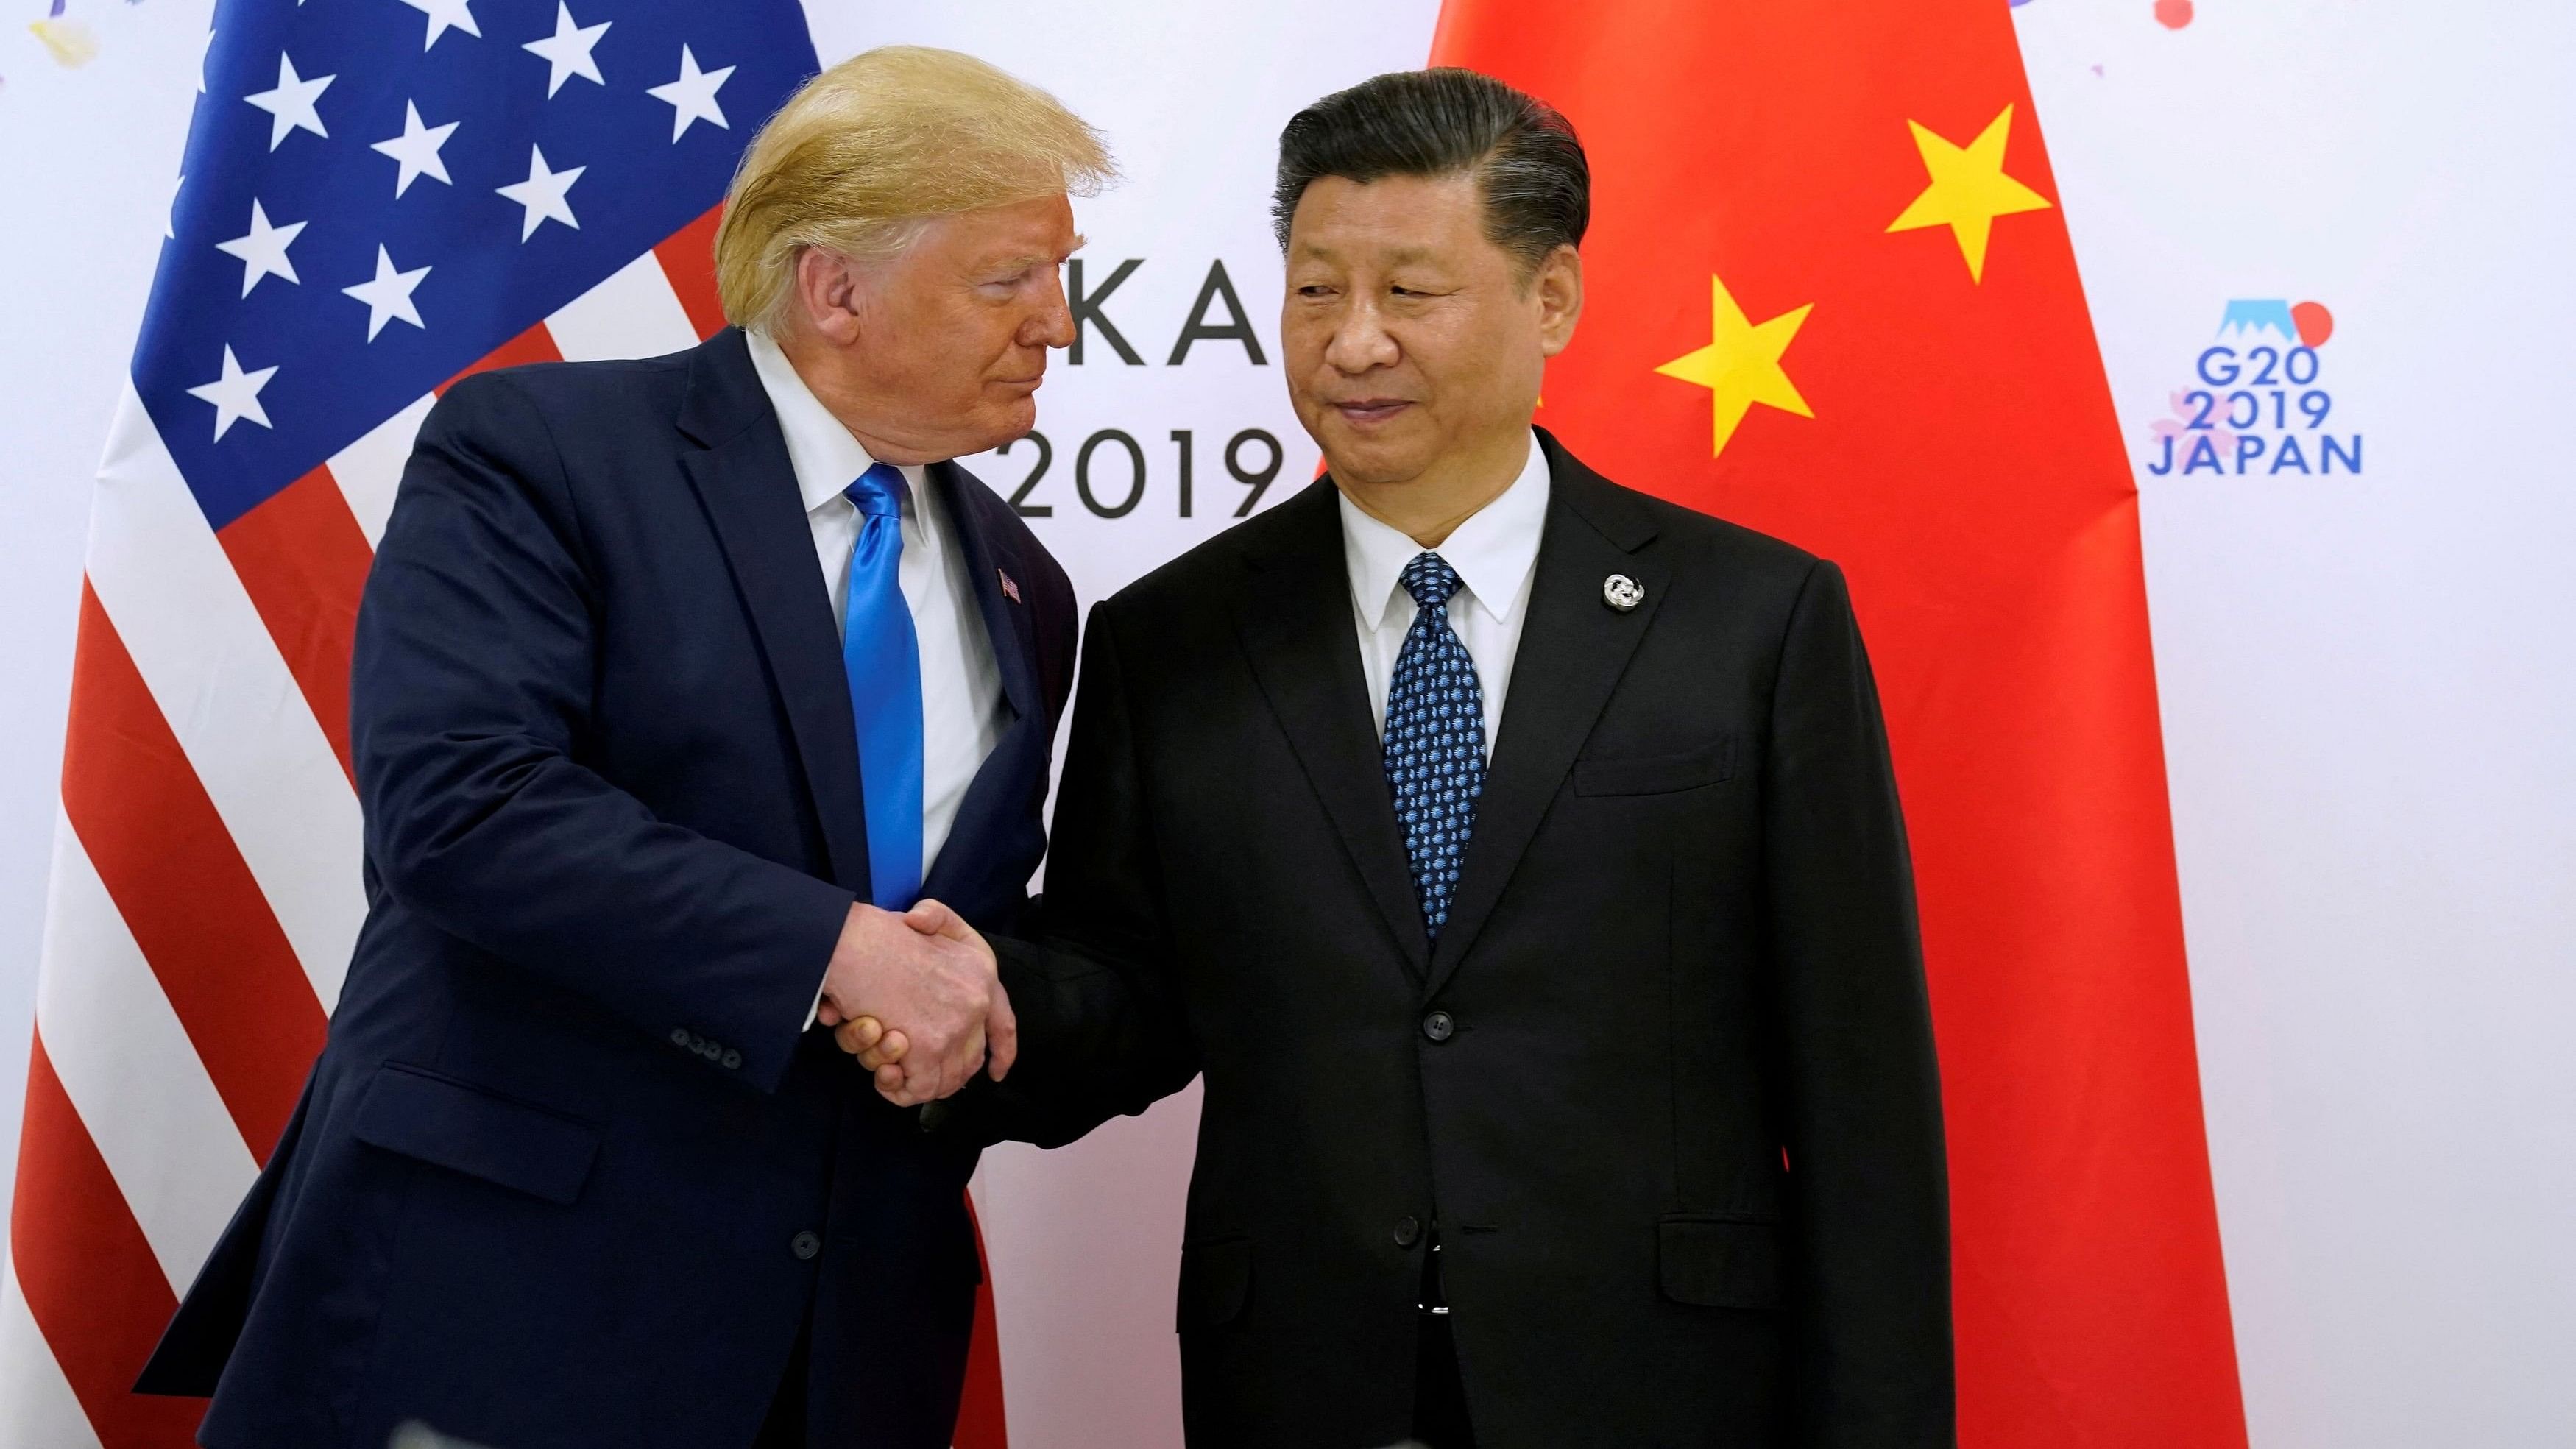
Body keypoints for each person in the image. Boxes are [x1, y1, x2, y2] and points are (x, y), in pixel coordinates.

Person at [858, 68, 1956, 1447]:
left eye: (1411, 293)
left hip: (1664, 1384)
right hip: (1307, 1383)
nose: (1354, 344)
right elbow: (1128, 999)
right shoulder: (1175, 638)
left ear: (1551, 298)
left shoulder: (1753, 620)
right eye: (1317, 291)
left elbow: (1858, 1090)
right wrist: (966, 1002)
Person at [136, 46, 1105, 1449]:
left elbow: (957, 932)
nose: (1056, 325)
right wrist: (842, 951)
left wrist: (971, 1002)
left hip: (836, 1361)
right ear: (835, 288)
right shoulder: (545, 449)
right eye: (1009, 279)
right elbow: (464, 808)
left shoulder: (1026, 584)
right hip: (505, 1316)